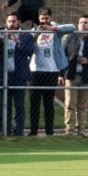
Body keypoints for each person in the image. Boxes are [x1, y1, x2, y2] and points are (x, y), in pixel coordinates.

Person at [28, 7, 73, 136]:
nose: (44, 22)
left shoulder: (56, 29)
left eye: (46, 19)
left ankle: (49, 131)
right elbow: (28, 43)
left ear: (51, 18)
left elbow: (72, 27)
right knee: (34, 103)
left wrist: (53, 28)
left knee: (48, 103)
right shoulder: (34, 30)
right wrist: (37, 34)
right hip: (35, 70)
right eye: (42, 19)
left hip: (51, 70)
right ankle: (33, 130)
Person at [0, 11, 35, 136]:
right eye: (9, 21)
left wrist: (17, 41)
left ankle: (19, 131)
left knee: (19, 105)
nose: (11, 24)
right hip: (5, 74)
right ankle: (4, 130)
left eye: (14, 21)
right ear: (6, 22)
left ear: (19, 22)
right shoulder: (2, 34)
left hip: (19, 75)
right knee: (4, 104)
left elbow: (29, 51)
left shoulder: (26, 35)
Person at [62, 15, 88, 136]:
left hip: (87, 76)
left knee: (82, 105)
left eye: (85, 22)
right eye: (80, 22)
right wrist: (60, 74)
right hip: (71, 75)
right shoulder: (70, 38)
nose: (82, 24)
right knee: (70, 104)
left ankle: (81, 129)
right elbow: (63, 56)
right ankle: (69, 130)